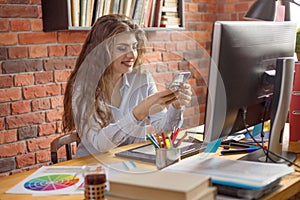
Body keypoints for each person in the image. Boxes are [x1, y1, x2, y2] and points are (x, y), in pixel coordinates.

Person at [62, 14, 192, 157]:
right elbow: (100, 144)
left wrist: (176, 106)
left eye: (134, 47)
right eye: (122, 48)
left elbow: (164, 130)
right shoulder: (82, 86)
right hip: (92, 167)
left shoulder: (141, 78)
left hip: (131, 162)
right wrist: (138, 113)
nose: (132, 55)